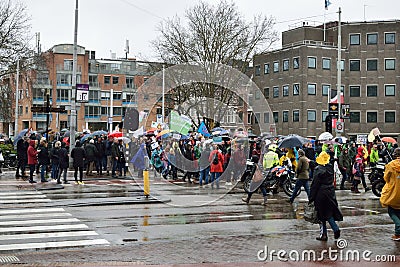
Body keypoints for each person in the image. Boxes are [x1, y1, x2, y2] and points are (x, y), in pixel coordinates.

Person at [309, 151, 343, 241]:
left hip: (321, 194)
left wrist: (311, 197)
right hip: (330, 192)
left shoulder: (318, 169)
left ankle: (324, 234)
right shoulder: (330, 168)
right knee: (329, 213)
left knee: (321, 215)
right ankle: (335, 229)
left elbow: (315, 184)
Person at [380, 148, 400, 241]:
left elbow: (386, 178)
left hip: (393, 192)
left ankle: (398, 232)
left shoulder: (390, 165)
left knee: (392, 211)